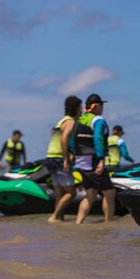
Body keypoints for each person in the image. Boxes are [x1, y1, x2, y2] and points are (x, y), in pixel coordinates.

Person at [73, 93, 116, 223]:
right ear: (96, 106)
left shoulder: (79, 120)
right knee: (109, 192)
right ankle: (108, 224)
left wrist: (72, 155)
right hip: (94, 161)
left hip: (80, 161)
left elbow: (71, 139)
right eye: (102, 105)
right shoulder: (98, 120)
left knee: (90, 194)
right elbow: (97, 139)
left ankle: (78, 224)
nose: (103, 108)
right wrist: (101, 159)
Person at [45, 96, 82, 223]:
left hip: (50, 157)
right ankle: (54, 217)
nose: (82, 110)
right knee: (72, 193)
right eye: (81, 107)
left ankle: (59, 219)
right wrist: (66, 159)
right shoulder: (70, 122)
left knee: (60, 193)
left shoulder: (61, 121)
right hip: (59, 158)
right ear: (76, 108)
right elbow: (64, 138)